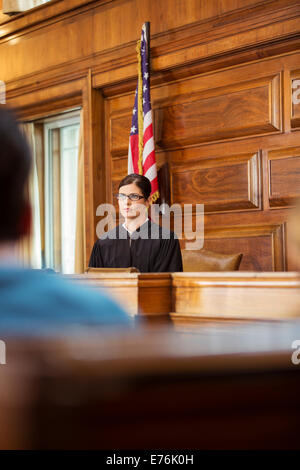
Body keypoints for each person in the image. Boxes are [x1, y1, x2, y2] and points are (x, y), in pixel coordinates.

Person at [0, 106, 131, 336]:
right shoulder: (103, 318)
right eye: (123, 197)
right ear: (27, 220)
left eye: (134, 197)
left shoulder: (163, 238)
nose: (128, 203)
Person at [89, 174, 183, 273]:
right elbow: (94, 283)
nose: (126, 202)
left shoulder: (166, 240)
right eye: (122, 196)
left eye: (134, 196)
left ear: (148, 201)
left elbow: (165, 283)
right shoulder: (104, 243)